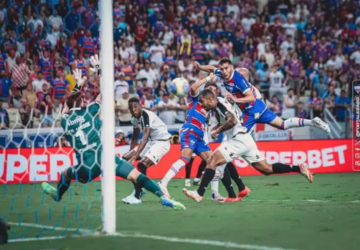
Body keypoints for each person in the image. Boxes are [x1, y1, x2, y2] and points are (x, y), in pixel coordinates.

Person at [42, 56, 185, 210]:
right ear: (82, 103)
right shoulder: (90, 112)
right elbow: (104, 93)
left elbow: (67, 104)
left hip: (87, 167)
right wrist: (98, 70)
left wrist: (77, 85)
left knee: (65, 174)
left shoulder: (65, 121)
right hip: (105, 158)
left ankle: (58, 194)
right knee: (136, 176)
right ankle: (163, 197)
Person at [183, 89, 313, 203]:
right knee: (266, 169)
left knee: (212, 161)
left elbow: (232, 120)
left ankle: (199, 194)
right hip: (246, 139)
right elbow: (228, 119)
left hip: (238, 139)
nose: (202, 104)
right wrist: (217, 128)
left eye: (203, 101)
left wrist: (218, 131)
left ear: (210, 99)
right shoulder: (218, 106)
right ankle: (298, 168)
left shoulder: (220, 104)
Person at [158, 73, 249, 202]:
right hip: (190, 130)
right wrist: (208, 78)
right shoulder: (197, 100)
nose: (212, 91)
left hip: (200, 136)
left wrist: (215, 127)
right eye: (210, 89)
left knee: (214, 162)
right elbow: (193, 88)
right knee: (185, 158)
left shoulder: (212, 108)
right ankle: (163, 183)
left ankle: (215, 194)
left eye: (214, 89)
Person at [194, 58, 331, 135]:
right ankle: (312, 121)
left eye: (225, 68)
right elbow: (212, 68)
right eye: (222, 69)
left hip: (251, 109)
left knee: (237, 137)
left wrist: (236, 100)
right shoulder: (222, 73)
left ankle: (219, 172)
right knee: (283, 124)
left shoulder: (238, 79)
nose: (223, 71)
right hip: (259, 107)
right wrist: (200, 67)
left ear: (231, 67)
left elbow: (251, 97)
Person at [121, 97, 172, 204]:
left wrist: (135, 157)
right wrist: (131, 154)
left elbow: (144, 137)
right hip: (151, 141)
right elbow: (135, 137)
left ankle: (137, 195)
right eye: (131, 108)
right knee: (124, 160)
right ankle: (139, 189)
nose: (133, 109)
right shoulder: (134, 118)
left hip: (161, 142)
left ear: (140, 106)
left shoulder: (146, 115)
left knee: (142, 165)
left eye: (135, 107)